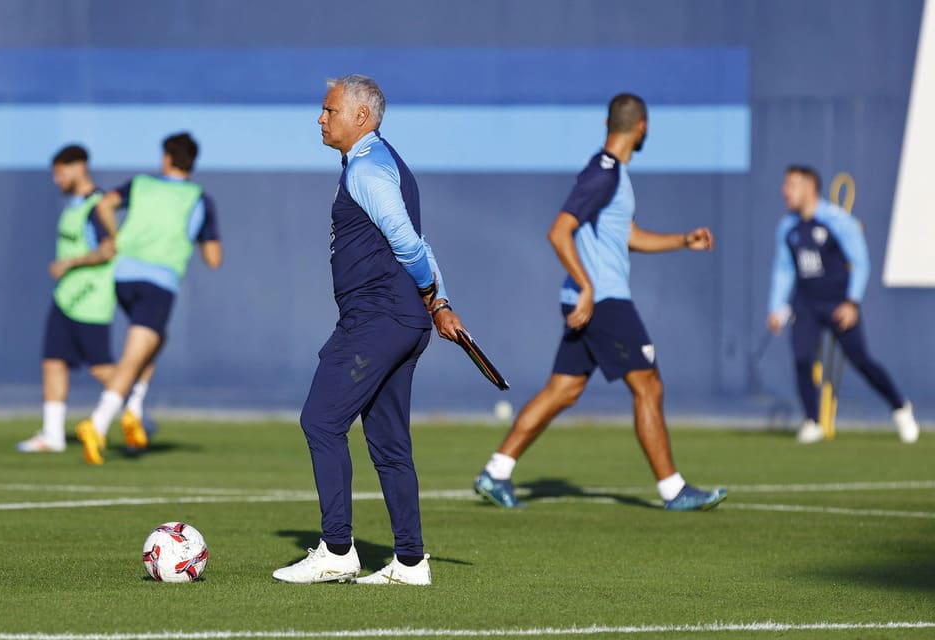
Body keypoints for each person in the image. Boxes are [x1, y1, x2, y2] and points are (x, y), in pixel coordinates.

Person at [471, 94, 727, 511]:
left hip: (592, 299)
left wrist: (683, 240)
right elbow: (559, 231)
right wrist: (587, 286)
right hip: (603, 300)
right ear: (642, 127)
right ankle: (673, 490)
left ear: (610, 123)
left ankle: (496, 472)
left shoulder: (613, 174)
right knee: (649, 386)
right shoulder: (604, 173)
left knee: (563, 390)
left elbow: (629, 236)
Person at [272, 75, 466, 586]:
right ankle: (410, 563)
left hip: (378, 318)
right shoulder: (379, 161)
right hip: (398, 319)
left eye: (329, 110)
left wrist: (430, 292)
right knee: (388, 443)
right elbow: (421, 241)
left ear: (361, 117)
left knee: (321, 421)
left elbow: (407, 242)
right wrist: (439, 303)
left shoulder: (366, 168)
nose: (320, 118)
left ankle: (337, 551)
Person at [74, 133, 222, 464]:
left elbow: (103, 205)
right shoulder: (199, 199)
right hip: (158, 282)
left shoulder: (141, 184)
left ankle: (135, 409)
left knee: (153, 341)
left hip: (123, 278)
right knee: (133, 356)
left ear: (166, 157)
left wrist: (116, 238)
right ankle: (97, 423)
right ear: (191, 163)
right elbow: (214, 259)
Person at [767, 165, 919, 444]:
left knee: (861, 360)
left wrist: (852, 302)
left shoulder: (837, 221)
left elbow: (860, 263)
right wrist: (776, 307)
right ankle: (812, 421)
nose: (784, 192)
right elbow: (784, 269)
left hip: (838, 303)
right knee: (802, 358)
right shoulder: (787, 227)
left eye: (791, 186)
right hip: (805, 304)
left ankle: (900, 407)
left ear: (810, 188)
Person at [17, 144, 119, 452]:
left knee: (102, 369)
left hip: (90, 301)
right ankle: (52, 434)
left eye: (60, 173)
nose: (56, 180)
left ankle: (139, 417)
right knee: (53, 361)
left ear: (79, 167)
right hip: (65, 299)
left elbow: (109, 249)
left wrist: (70, 263)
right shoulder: (73, 206)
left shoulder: (97, 206)